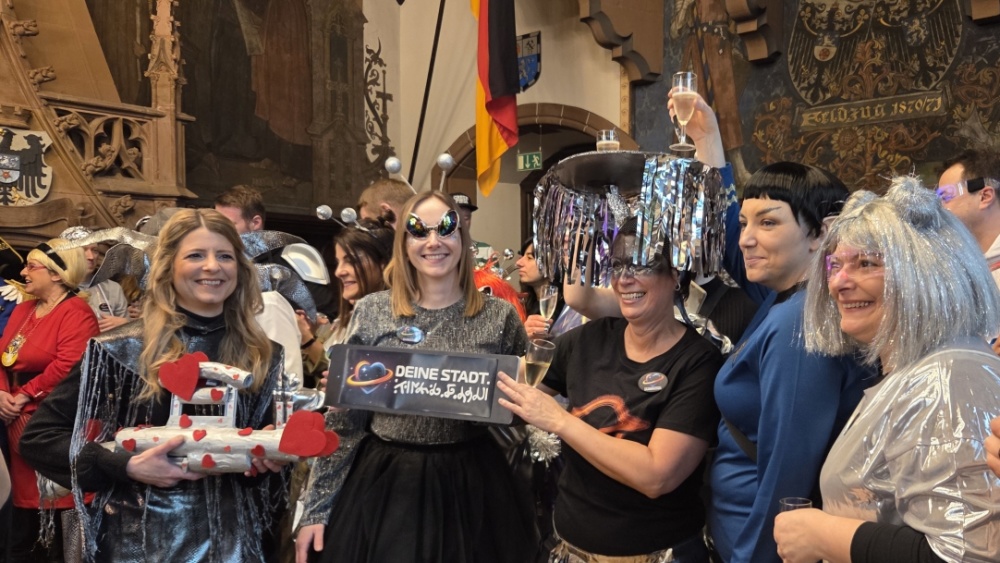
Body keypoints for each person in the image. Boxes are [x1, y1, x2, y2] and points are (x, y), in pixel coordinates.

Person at [662, 92, 871, 563]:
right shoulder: (787, 294)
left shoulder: (800, 323)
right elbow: (730, 242)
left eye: (769, 223)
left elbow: (787, 472)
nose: (747, 238)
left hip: (759, 543)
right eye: (745, 223)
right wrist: (707, 140)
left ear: (821, 234)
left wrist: (755, 556)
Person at [20, 209, 285, 562]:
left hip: (233, 543)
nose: (212, 266)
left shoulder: (263, 354)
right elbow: (39, 438)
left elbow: (264, 474)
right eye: (196, 255)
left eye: (225, 256)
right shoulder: (120, 349)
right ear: (167, 266)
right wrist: (125, 465)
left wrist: (265, 463)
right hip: (136, 542)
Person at [295, 191, 535, 563]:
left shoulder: (499, 316)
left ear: (462, 237)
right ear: (404, 244)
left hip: (472, 485)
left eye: (446, 228)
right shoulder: (373, 311)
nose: (433, 241)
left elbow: (522, 409)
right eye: (419, 231)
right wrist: (317, 508)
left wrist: (504, 400)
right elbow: (345, 422)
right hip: (387, 483)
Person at [774, 176, 1000, 563]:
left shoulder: (946, 377)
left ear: (928, 272)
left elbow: (967, 555)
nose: (839, 282)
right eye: (834, 265)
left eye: (866, 263)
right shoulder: (918, 372)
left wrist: (825, 536)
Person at [497, 218, 723, 561]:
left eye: (641, 264)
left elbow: (656, 475)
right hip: (571, 549)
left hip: (655, 554)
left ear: (675, 274)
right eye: (617, 265)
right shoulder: (589, 339)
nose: (624, 278)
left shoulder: (697, 362)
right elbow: (512, 389)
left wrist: (560, 421)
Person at [0, 238, 99, 561]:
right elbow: (2, 356)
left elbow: (70, 365)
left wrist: (24, 394)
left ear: (57, 273)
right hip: (14, 417)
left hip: (54, 424)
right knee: (24, 516)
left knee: (58, 515)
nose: (23, 272)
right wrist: (2, 393)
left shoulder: (77, 312)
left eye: (32, 266)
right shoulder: (24, 309)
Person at [214, 185, 305, 379]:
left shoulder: (289, 265)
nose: (220, 234)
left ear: (255, 222)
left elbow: (285, 378)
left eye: (228, 225)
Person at [298, 219, 394, 382]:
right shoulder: (341, 322)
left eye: (351, 261)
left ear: (383, 264)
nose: (339, 272)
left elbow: (357, 381)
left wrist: (308, 340)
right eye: (338, 262)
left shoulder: (394, 327)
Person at [60, 226, 132, 332]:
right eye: (83, 250)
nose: (91, 257)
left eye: (94, 250)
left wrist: (125, 324)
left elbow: (130, 334)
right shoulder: (56, 287)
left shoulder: (112, 288)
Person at [451, 192, 493, 268]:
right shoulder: (437, 249)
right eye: (455, 218)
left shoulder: (486, 250)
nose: (461, 223)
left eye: (465, 218)